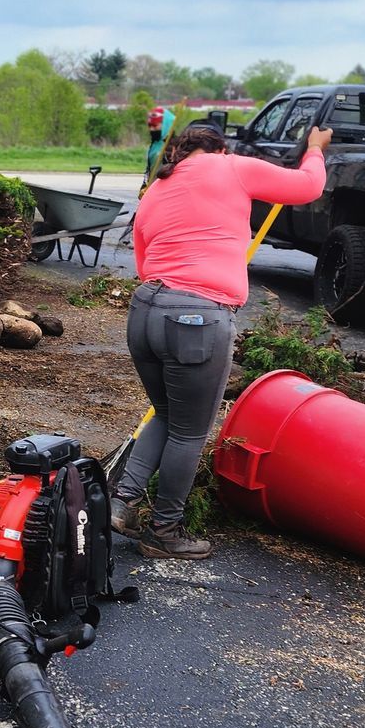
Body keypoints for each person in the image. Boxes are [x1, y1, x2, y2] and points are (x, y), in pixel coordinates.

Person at [110, 122, 332, 559]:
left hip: (145, 311)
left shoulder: (157, 188)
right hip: (196, 318)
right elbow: (308, 187)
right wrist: (315, 148)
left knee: (168, 415)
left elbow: (142, 259)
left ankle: (120, 503)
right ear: (220, 148)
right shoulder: (231, 167)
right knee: (190, 432)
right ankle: (165, 531)